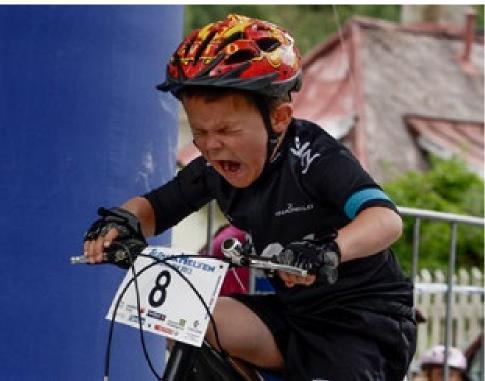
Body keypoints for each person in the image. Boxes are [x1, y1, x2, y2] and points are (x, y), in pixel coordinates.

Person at [83, 14, 416, 380]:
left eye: (225, 129)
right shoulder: (213, 170)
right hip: (291, 320)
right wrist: (121, 223)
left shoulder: (312, 155)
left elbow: (385, 219)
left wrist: (329, 251)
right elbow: (154, 207)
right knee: (191, 315)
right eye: (200, 131)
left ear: (279, 118)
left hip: (363, 325)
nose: (211, 145)